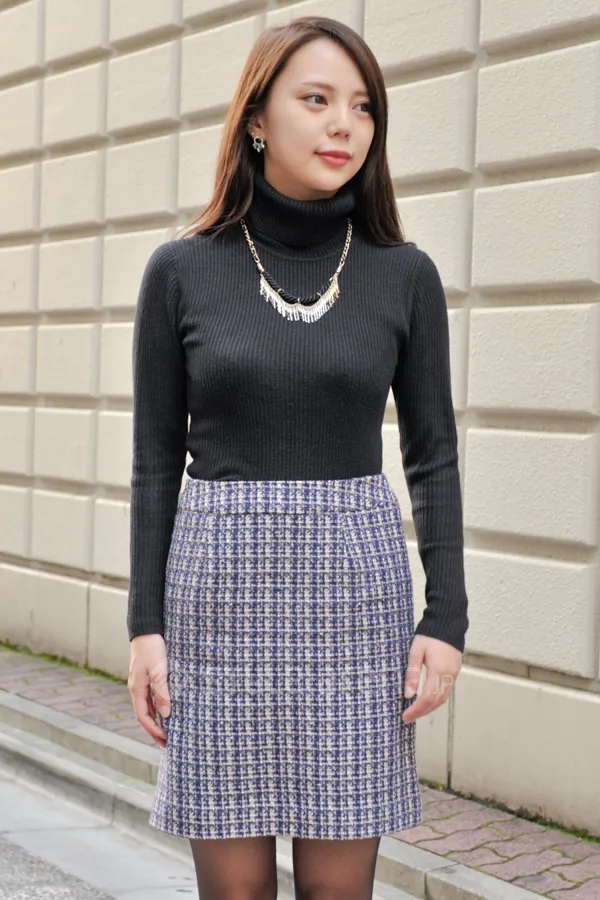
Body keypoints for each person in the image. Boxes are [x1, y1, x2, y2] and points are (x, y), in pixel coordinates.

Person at [127, 15, 469, 900]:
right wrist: (144, 626)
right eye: (316, 100)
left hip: (357, 602)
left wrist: (446, 619)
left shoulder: (403, 274)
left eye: (362, 106)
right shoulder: (180, 270)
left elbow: (432, 454)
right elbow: (156, 461)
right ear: (256, 118)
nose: (343, 124)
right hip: (215, 600)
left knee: (337, 894)